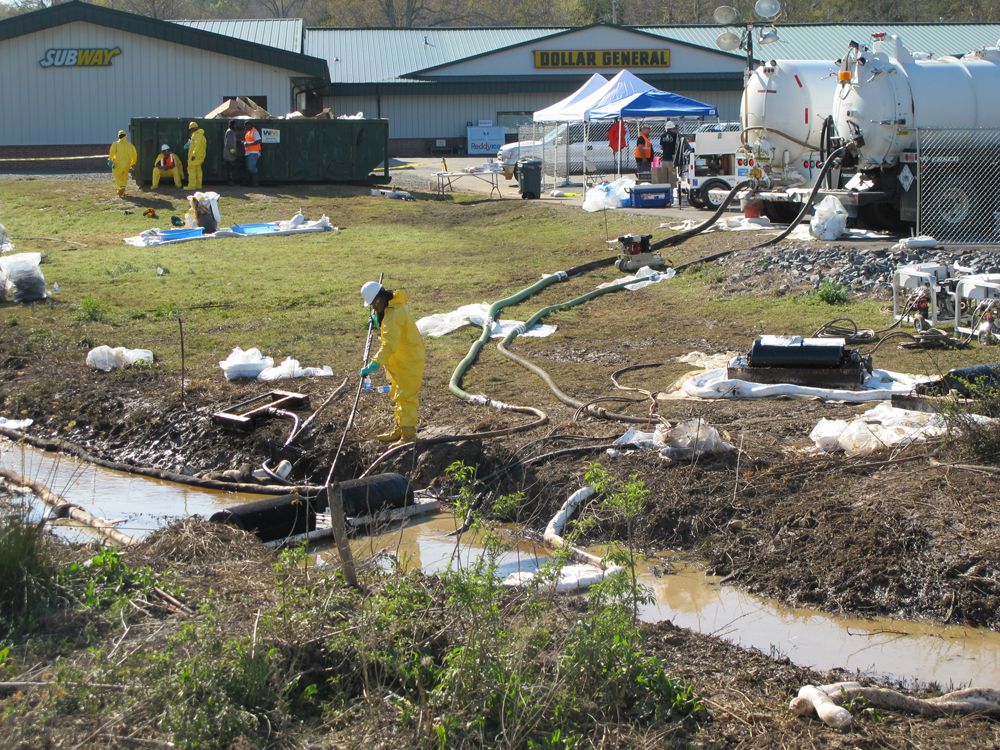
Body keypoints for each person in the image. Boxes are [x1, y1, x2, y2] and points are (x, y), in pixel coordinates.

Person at [358, 281, 426, 445]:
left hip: (408, 361)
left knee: (406, 398)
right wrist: (376, 320)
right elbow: (387, 327)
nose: (373, 308)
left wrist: (374, 364)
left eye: (374, 304)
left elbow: (389, 344)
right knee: (398, 395)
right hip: (399, 361)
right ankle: (400, 429)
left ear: (381, 298)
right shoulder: (389, 308)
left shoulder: (394, 315)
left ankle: (408, 436)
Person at [108, 129, 136, 198]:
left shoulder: (115, 144)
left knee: (117, 176)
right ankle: (123, 188)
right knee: (124, 177)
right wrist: (133, 163)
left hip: (118, 164)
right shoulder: (130, 145)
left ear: (118, 136)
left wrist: (110, 160)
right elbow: (134, 154)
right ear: (125, 136)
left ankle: (121, 188)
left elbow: (112, 153)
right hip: (127, 165)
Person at [658, 121, 682, 199]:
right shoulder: (676, 136)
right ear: (672, 128)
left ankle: (665, 194)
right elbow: (678, 147)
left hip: (664, 159)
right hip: (672, 160)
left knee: (664, 178)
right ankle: (672, 195)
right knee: (672, 178)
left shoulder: (662, 135)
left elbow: (661, 147)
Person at [184, 121, 206, 190]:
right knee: (198, 171)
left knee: (191, 170)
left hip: (194, 157)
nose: (190, 131)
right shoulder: (201, 136)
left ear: (192, 129)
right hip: (200, 157)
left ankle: (191, 186)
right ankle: (198, 185)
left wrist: (193, 154)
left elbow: (197, 146)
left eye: (190, 129)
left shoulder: (196, 136)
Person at [223, 119, 244, 185]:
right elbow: (230, 145)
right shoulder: (230, 132)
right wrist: (234, 153)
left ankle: (231, 182)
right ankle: (230, 182)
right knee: (230, 169)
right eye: (235, 124)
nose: (236, 126)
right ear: (233, 125)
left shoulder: (231, 131)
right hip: (230, 155)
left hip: (230, 154)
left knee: (230, 168)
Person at [243, 121, 262, 186]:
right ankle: (251, 182)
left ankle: (255, 183)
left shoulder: (255, 131)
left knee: (252, 168)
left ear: (251, 125)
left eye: (247, 125)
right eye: (245, 126)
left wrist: (248, 144)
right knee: (249, 168)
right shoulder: (248, 132)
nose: (246, 127)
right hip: (248, 152)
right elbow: (248, 141)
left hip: (254, 152)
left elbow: (258, 141)